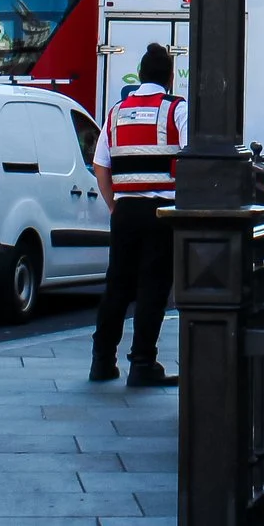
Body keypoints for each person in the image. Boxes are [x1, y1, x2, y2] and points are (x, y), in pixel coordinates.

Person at [91, 43, 185, 388]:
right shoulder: (176, 110)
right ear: (169, 77)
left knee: (117, 283)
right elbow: (191, 158)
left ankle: (102, 361)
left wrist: (115, 204)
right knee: (153, 286)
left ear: (141, 75)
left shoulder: (117, 112)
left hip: (126, 210)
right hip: (162, 211)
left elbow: (101, 165)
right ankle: (143, 361)